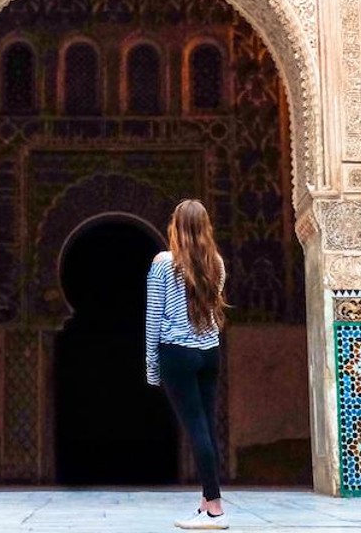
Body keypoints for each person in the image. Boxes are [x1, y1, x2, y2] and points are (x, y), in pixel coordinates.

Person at [146, 199, 229, 530]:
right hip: (209, 352)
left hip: (177, 353)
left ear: (176, 227)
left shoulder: (164, 263)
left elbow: (155, 316)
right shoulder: (217, 264)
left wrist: (152, 366)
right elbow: (210, 311)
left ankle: (216, 508)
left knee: (196, 429)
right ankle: (207, 503)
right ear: (205, 226)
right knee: (206, 427)